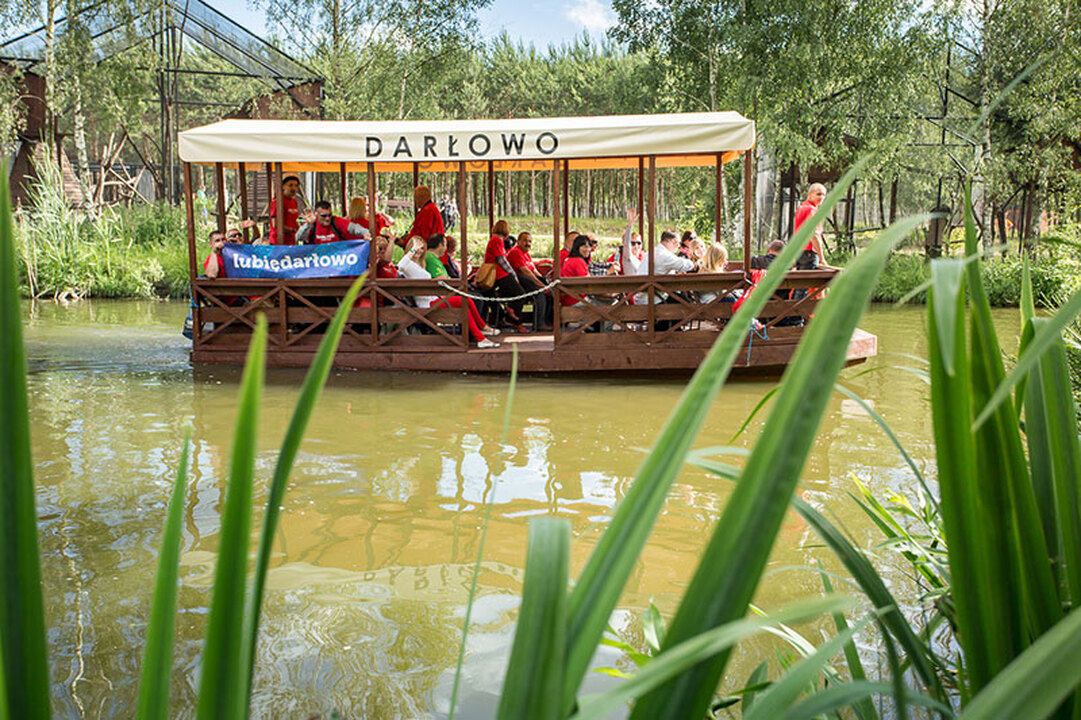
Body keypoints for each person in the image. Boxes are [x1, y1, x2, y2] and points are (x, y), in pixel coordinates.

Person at [398, 236, 499, 348]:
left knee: (466, 301)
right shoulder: (409, 265)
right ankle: (481, 334)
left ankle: (482, 331)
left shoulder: (418, 265)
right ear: (410, 248)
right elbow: (400, 265)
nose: (419, 250)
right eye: (415, 247)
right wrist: (413, 250)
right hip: (428, 304)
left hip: (434, 299)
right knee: (464, 302)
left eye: (421, 248)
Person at [634, 229, 696, 308]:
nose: (679, 246)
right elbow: (685, 265)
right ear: (672, 241)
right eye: (678, 243)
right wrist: (695, 261)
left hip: (645, 297)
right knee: (687, 304)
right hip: (653, 300)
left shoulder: (654, 252)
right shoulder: (664, 255)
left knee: (683, 299)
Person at [484, 219, 527, 329]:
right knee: (520, 294)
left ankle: (503, 316)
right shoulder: (497, 240)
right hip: (500, 274)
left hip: (496, 273)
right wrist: (512, 274)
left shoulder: (494, 240)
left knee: (492, 296)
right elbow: (501, 259)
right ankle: (515, 318)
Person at [508, 232, 551, 331]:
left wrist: (544, 282)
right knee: (540, 294)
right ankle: (540, 324)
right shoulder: (515, 252)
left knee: (550, 292)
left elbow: (534, 270)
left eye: (530, 241)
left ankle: (549, 321)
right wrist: (540, 285)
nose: (528, 243)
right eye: (525, 241)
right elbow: (525, 272)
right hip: (520, 284)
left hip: (529, 282)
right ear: (518, 241)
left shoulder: (526, 254)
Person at [297, 201, 371, 244]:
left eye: (329, 215)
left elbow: (353, 227)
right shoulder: (311, 224)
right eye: (324, 216)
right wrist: (308, 225)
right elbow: (299, 238)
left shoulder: (336, 221)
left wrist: (365, 233)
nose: (327, 218)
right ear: (316, 214)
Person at [793, 183, 828, 269]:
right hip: (809, 252)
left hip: (799, 251)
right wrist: (822, 258)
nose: (821, 197)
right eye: (818, 194)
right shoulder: (811, 210)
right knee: (811, 277)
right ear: (810, 194)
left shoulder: (802, 207)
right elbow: (814, 235)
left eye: (823, 195)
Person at [266, 175, 303, 245]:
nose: (293, 188)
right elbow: (275, 224)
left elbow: (294, 221)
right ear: (283, 186)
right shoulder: (277, 202)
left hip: (291, 240)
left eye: (296, 186)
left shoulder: (294, 202)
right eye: (290, 185)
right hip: (278, 241)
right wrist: (291, 229)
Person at [619, 208, 643, 275]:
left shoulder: (643, 259)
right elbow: (627, 244)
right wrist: (630, 225)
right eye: (633, 243)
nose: (636, 246)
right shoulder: (628, 257)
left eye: (639, 243)